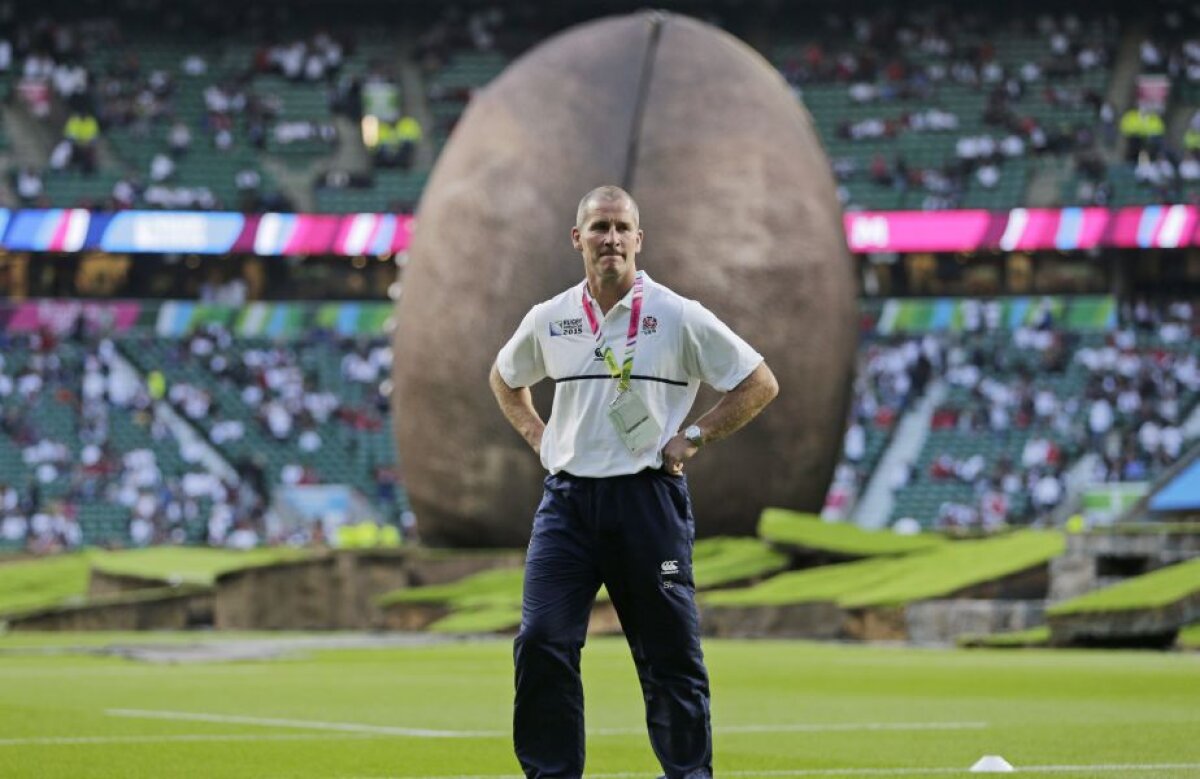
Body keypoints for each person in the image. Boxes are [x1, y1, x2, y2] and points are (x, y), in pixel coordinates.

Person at [489, 185, 779, 779]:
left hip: (648, 500)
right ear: (578, 239)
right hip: (567, 503)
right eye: (599, 228)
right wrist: (537, 436)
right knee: (542, 642)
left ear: (639, 239)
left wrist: (694, 438)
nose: (612, 239)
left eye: (622, 228)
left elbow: (758, 382)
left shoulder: (678, 315)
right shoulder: (551, 318)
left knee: (670, 659)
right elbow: (504, 375)